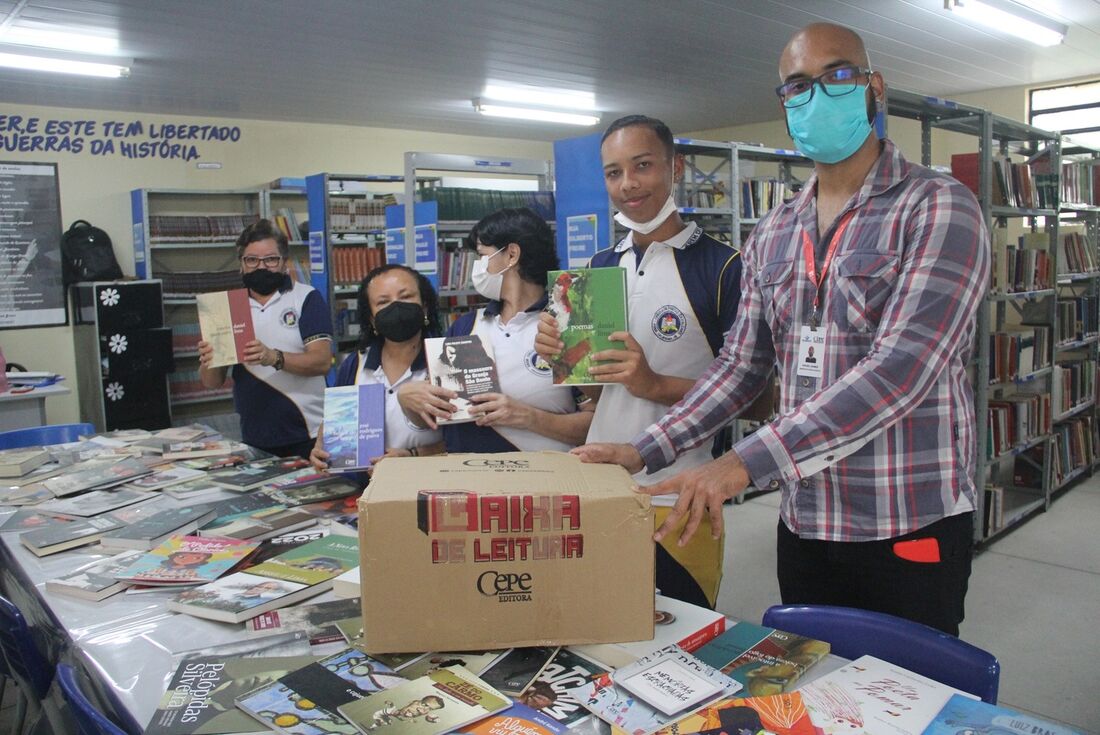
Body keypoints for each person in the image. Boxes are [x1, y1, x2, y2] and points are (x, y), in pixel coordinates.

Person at [574, 23, 989, 635]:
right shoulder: (774, 231)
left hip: (905, 516)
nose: (817, 96)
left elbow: (902, 369)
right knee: (819, 694)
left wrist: (742, 463)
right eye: (798, 86)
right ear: (784, 104)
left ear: (874, 87)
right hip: (806, 518)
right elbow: (741, 367)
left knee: (906, 698)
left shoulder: (938, 205)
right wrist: (643, 450)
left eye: (837, 75)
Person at [534, 115, 743, 608]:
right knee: (595, 620)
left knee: (678, 629)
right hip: (598, 484)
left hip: (680, 491)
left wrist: (654, 384)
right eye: (613, 172)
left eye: (643, 166)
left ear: (676, 167)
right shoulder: (596, 268)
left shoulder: (725, 267)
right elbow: (595, 393)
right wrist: (563, 357)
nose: (628, 184)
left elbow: (758, 393)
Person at [400, 207, 594, 452]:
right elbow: (436, 417)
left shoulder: (566, 322)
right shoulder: (466, 326)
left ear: (512, 254)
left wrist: (529, 417)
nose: (478, 267)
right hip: (468, 477)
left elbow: (597, 424)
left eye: (482, 255)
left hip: (543, 480)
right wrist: (410, 401)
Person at [198, 219, 332, 459]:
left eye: (270, 259)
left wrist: (274, 357)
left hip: (309, 430)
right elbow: (212, 382)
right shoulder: (227, 307)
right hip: (255, 433)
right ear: (241, 264)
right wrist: (208, 359)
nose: (261, 267)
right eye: (252, 260)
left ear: (284, 263)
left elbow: (321, 361)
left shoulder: (306, 298)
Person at [310, 263, 446, 473]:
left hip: (429, 488)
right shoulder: (356, 364)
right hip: (363, 490)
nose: (396, 307)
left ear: (425, 306)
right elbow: (335, 424)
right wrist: (321, 448)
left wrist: (414, 455)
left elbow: (467, 442)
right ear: (372, 319)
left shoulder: (447, 361)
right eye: (383, 302)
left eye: (406, 297)